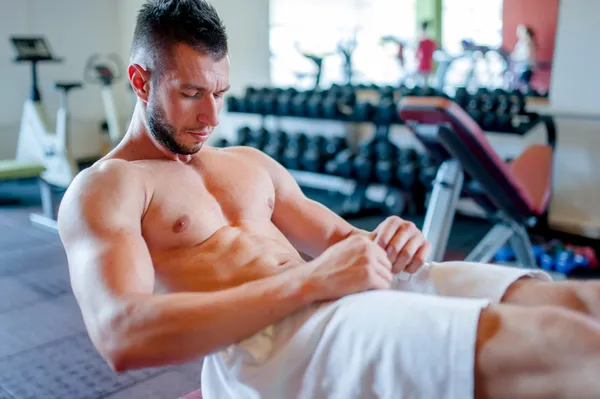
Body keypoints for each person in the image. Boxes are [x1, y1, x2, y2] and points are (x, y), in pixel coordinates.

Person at [58, 1, 600, 398]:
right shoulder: (108, 186)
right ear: (139, 80)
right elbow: (121, 333)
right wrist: (313, 281)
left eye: (219, 93)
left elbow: (346, 241)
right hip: (278, 347)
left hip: (341, 298)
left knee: (581, 305)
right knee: (565, 343)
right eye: (191, 94)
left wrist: (392, 241)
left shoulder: (247, 163)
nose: (212, 117)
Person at [511, 24, 537, 91]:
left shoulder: (529, 42)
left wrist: (517, 57)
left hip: (526, 67)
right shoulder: (520, 42)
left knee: (524, 86)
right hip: (519, 67)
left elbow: (527, 55)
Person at [415, 21, 437, 87]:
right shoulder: (429, 41)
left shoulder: (422, 41)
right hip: (425, 64)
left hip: (424, 64)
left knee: (424, 84)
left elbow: (416, 54)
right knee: (424, 83)